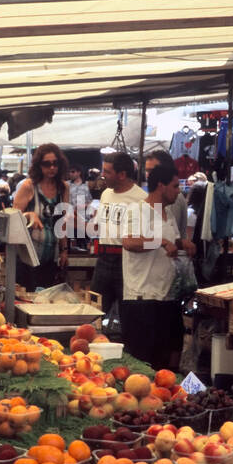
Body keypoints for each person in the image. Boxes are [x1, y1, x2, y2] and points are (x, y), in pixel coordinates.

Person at [121, 163, 194, 370]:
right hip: (143, 298)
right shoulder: (137, 210)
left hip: (168, 297)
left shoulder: (168, 214)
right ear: (161, 186)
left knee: (172, 354)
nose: (178, 191)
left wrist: (182, 244)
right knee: (145, 364)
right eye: (174, 186)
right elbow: (130, 242)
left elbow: (172, 242)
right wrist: (161, 242)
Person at [91, 152, 147, 329]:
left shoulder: (141, 198)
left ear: (122, 174)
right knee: (93, 313)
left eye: (107, 172)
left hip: (127, 262)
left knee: (128, 316)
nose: (102, 175)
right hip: (103, 260)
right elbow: (100, 226)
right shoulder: (106, 194)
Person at [12, 143, 70, 291]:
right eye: (46, 164)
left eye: (55, 163)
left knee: (47, 300)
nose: (52, 168)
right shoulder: (28, 186)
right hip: (28, 257)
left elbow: (63, 222)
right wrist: (28, 215)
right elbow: (12, 218)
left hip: (51, 257)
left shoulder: (63, 188)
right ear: (39, 165)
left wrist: (64, 250)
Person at [145, 149, 188, 243]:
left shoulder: (171, 197)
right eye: (147, 171)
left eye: (152, 171)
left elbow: (170, 239)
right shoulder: (154, 199)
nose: (148, 175)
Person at [67, 165, 91, 251]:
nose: (70, 174)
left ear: (79, 172)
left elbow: (92, 201)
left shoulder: (87, 185)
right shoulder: (67, 185)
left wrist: (85, 205)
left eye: (73, 172)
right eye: (70, 172)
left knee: (83, 244)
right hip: (70, 218)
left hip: (83, 218)